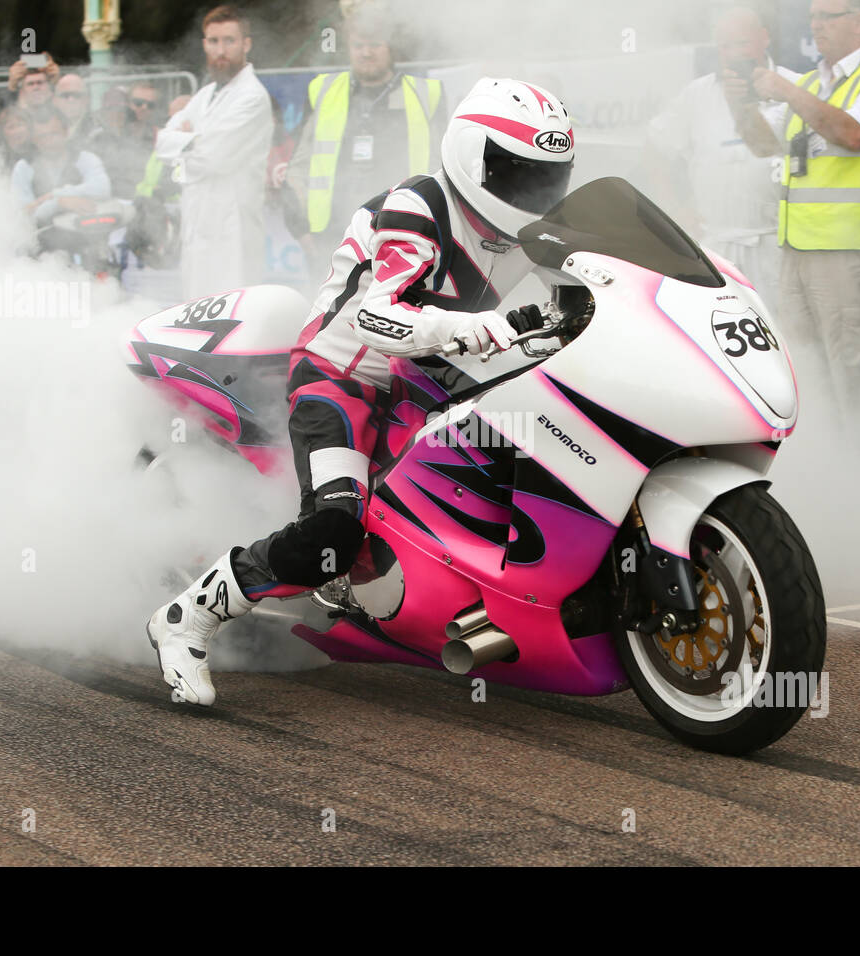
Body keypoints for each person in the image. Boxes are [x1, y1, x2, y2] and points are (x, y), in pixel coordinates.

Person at [144, 77, 575, 707]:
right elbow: (380, 316)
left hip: (436, 378)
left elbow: (589, 281)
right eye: (516, 173)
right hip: (344, 377)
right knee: (333, 533)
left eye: (546, 176)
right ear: (471, 155)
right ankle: (188, 617)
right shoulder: (418, 207)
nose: (533, 192)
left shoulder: (528, 227)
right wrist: (482, 328)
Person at [727, 0, 860, 436]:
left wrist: (785, 91)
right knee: (803, 369)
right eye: (813, 18)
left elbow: (855, 135)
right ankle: (828, 467)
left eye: (828, 17)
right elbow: (764, 145)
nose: (817, 26)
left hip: (850, 250)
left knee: (856, 368)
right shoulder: (810, 83)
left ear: (859, 22)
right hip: (799, 249)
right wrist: (741, 105)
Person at [643, 7, 798, 314]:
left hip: (778, 249)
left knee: (784, 336)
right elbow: (655, 147)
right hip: (715, 246)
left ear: (764, 39)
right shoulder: (697, 95)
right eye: (725, 46)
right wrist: (674, 209)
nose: (733, 54)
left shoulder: (794, 87)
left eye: (742, 44)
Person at [282, 3, 446, 275]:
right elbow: (298, 166)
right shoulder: (323, 91)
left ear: (390, 45)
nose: (366, 52)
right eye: (358, 45)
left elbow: (441, 170)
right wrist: (300, 230)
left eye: (374, 44)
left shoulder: (426, 95)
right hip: (332, 237)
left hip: (402, 234)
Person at [154, 5, 275, 300]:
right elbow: (161, 144)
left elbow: (216, 158)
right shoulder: (206, 94)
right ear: (204, 44)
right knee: (196, 310)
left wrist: (185, 141)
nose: (221, 50)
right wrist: (194, 142)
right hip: (198, 219)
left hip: (232, 225)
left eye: (229, 41)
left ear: (246, 44)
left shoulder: (252, 97)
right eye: (213, 41)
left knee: (232, 312)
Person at [10, 107, 111, 229]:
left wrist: (56, 194)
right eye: (41, 137)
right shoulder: (24, 167)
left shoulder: (85, 158)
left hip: (85, 233)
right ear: (33, 139)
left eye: (54, 134)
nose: (48, 141)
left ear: (66, 131)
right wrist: (58, 203)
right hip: (41, 238)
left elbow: (102, 188)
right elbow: (24, 214)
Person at [54, 73, 94, 143]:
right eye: (65, 95)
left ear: (87, 99)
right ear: (55, 100)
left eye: (76, 95)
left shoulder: (97, 130)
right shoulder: (45, 127)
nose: (71, 100)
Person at [0, 104, 33, 169]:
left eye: (20, 125)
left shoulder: (39, 152)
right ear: (1, 132)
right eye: (11, 127)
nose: (17, 131)